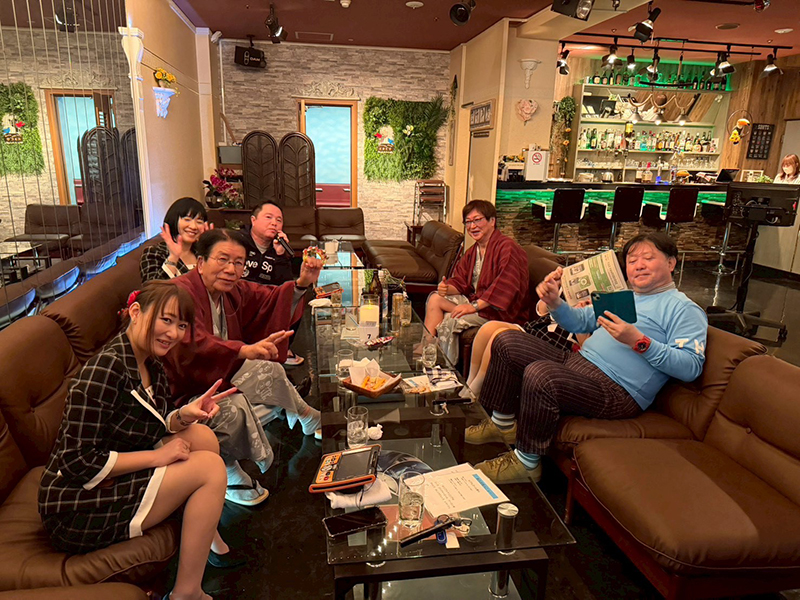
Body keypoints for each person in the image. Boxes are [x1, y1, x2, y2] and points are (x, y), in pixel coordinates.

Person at [39, 281, 240, 600]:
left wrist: (186, 414)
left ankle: (206, 535)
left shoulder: (150, 362)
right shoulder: (102, 372)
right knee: (210, 468)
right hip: (76, 506)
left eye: (181, 325)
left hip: (115, 470)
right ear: (135, 312)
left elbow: (154, 423)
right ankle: (186, 593)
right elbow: (77, 461)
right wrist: (157, 458)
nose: (173, 333)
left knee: (201, 436)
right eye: (166, 320)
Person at [468, 233, 708, 484]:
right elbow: (578, 321)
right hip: (580, 363)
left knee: (541, 373)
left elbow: (690, 367)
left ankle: (527, 463)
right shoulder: (624, 296)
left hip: (618, 390)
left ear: (671, 263)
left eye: (648, 258)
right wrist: (554, 302)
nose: (638, 265)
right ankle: (502, 424)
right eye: (632, 260)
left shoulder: (684, 309)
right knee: (507, 340)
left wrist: (638, 341)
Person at [166, 228, 324, 506]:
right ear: (201, 262)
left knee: (268, 368)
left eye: (238, 262)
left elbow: (268, 298)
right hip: (187, 388)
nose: (231, 269)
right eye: (223, 260)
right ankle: (228, 471)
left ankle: (304, 414)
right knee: (234, 408)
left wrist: (301, 283)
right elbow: (189, 341)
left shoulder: (231, 290)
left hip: (220, 372)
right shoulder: (180, 292)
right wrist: (241, 349)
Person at [423, 199, 529, 362]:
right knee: (435, 298)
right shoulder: (474, 250)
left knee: (451, 320)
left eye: (477, 220)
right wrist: (446, 288)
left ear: (492, 221)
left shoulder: (507, 248)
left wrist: (473, 307)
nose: (472, 226)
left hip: (498, 311)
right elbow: (461, 281)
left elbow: (505, 287)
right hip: (477, 303)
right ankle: (426, 349)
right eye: (468, 222)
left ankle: (446, 366)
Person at [140, 197, 210, 282]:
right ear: (174, 220)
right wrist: (173, 257)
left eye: (199, 222)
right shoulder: (154, 252)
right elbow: (151, 288)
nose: (194, 226)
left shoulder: (202, 251)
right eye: (187, 220)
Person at [242, 201, 294, 286]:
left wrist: (280, 255)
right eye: (268, 217)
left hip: (267, 294)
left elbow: (285, 287)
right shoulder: (238, 241)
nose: (274, 223)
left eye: (279, 220)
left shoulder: (279, 247)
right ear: (253, 220)